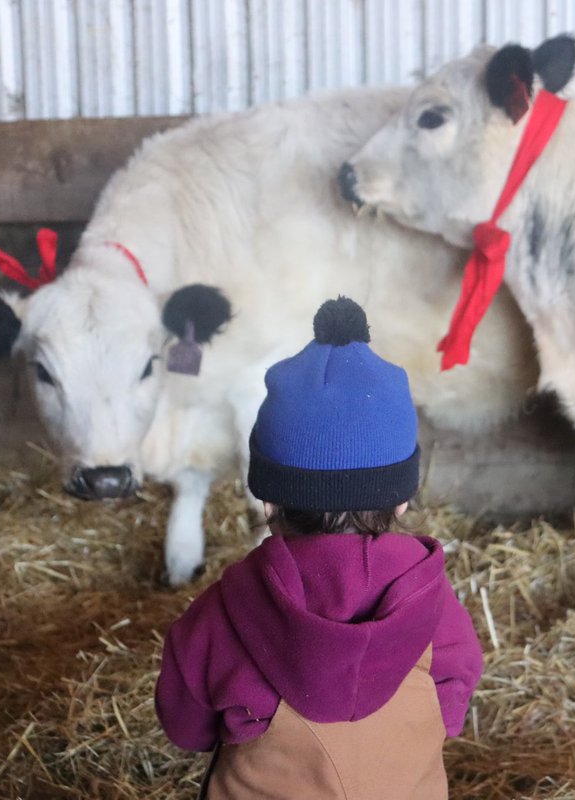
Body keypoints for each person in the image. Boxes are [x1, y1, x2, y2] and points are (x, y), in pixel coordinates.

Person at [154, 296, 484, 799]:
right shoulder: (437, 605)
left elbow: (186, 728)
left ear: (267, 500)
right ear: (401, 500)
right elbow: (453, 711)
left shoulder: (220, 613)